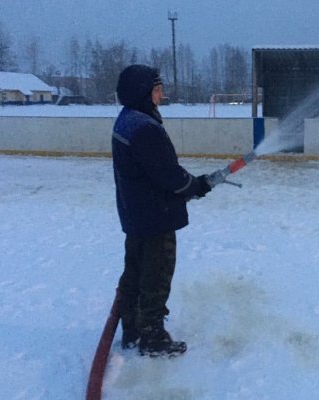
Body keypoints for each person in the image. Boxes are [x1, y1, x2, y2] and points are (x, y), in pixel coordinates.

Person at [112, 64, 212, 357]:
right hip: (155, 216)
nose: (161, 95)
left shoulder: (128, 120)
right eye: (157, 90)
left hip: (137, 213)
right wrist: (195, 186)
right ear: (142, 93)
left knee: (135, 272)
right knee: (155, 276)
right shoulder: (144, 129)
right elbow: (168, 175)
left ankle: (131, 328)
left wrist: (189, 186)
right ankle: (152, 338)